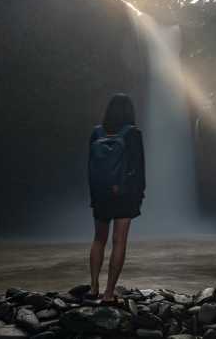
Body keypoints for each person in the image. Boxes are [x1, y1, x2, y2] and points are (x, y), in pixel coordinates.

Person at [88, 93, 145, 301]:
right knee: (119, 242)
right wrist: (139, 195)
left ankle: (93, 287)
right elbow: (139, 169)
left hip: (100, 194)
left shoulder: (96, 133)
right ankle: (109, 293)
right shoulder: (133, 134)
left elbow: (90, 168)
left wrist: (94, 195)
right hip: (124, 195)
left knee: (98, 240)